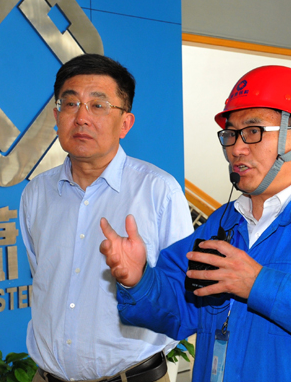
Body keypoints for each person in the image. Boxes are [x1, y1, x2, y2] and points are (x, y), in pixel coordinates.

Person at [100, 66, 291, 381]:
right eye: (231, 134)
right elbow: (177, 310)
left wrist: (259, 284)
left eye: (254, 131)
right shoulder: (222, 223)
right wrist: (138, 280)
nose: (237, 148)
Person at [20, 54, 193, 382]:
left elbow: (180, 296)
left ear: (125, 123)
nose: (81, 118)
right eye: (70, 104)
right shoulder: (37, 193)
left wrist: (137, 280)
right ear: (56, 116)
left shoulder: (158, 191)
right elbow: (42, 276)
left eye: (98, 105)